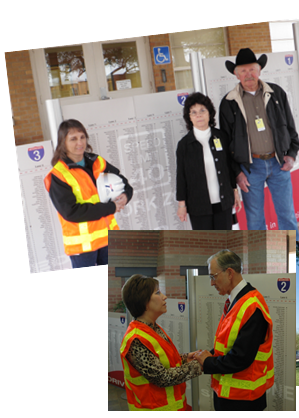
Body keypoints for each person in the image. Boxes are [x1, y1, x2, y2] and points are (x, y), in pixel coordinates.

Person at [217, 48, 299, 239]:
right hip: (249, 168)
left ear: (260, 70)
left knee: (287, 215)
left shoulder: (276, 93)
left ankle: (291, 256)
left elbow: (290, 127)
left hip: (278, 163)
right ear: (236, 74)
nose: (249, 74)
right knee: (255, 220)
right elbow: (226, 143)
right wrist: (237, 172)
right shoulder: (228, 102)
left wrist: (292, 154)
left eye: (252, 69)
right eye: (243, 71)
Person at [44, 119, 132, 268]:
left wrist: (126, 194)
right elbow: (71, 212)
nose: (80, 142)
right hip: (82, 248)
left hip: (107, 239)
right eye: (73, 139)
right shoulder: (58, 176)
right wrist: (111, 208)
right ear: (62, 143)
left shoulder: (97, 162)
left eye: (82, 137)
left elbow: (121, 181)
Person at [192, 250, 273, 410]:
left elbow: (241, 357)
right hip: (230, 395)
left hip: (244, 401)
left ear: (229, 273)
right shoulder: (235, 302)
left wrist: (208, 362)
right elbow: (227, 346)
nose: (211, 283)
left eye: (213, 276)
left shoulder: (251, 306)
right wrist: (205, 356)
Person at [120, 274, 201, 411]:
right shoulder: (136, 340)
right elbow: (162, 377)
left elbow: (163, 362)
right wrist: (199, 364)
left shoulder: (152, 328)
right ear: (144, 302)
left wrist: (185, 358)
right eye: (158, 293)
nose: (164, 297)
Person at [176, 92, 241, 230]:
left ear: (209, 113)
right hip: (198, 205)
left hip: (223, 202)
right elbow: (181, 177)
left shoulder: (221, 136)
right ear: (189, 117)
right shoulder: (184, 144)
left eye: (202, 110)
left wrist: (235, 191)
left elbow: (229, 167)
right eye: (193, 112)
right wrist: (181, 204)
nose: (198, 115)